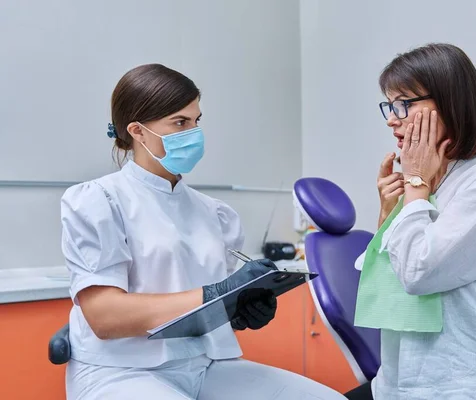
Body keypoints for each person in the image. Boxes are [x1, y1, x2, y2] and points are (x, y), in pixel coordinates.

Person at [61, 63, 346, 400]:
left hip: (204, 365)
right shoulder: (99, 201)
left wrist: (238, 310)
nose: (194, 132)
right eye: (180, 122)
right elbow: (105, 317)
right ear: (138, 131)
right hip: (121, 372)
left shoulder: (214, 213)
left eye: (196, 121)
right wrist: (215, 294)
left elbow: (209, 306)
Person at [346, 43, 476, 399]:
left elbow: (419, 272)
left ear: (450, 102)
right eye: (389, 104)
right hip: (404, 380)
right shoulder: (431, 180)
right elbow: (387, 278)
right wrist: (389, 212)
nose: (391, 118)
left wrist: (415, 184)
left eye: (405, 104)